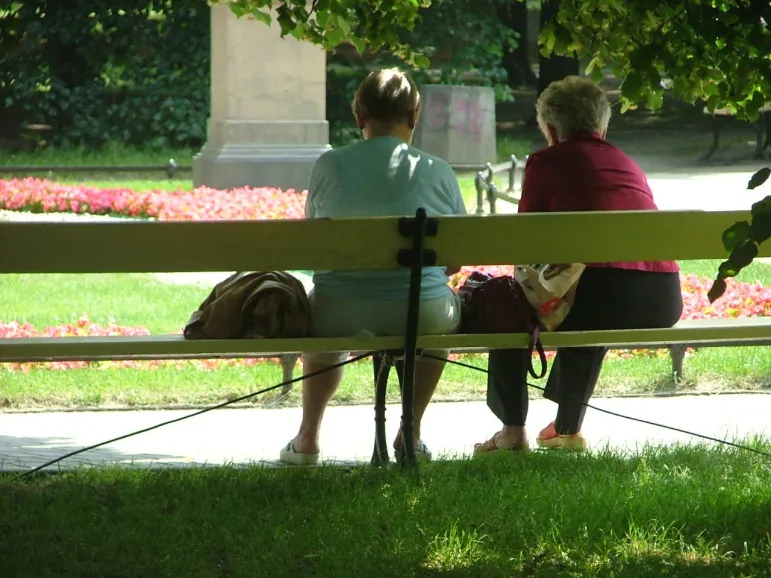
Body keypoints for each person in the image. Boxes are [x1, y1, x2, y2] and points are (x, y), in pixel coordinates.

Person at [474, 76, 683, 453]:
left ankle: (512, 429)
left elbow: (526, 238)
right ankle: (566, 429)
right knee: (592, 296)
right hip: (662, 299)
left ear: (551, 130)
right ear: (602, 126)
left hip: (598, 297)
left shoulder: (545, 161)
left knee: (509, 306)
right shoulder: (627, 163)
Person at [280, 68, 467, 465]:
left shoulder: (329, 166)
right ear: (414, 117)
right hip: (423, 311)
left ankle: (308, 437)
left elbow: (316, 250)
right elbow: (454, 260)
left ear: (359, 116)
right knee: (436, 321)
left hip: (338, 312)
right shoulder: (438, 170)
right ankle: (410, 434)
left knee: (324, 320)